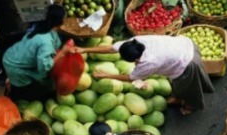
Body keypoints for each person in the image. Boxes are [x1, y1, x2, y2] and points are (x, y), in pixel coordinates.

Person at [78, 35, 214, 115]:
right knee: (178, 84)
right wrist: (84, 49)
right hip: (184, 44)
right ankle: (178, 98)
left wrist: (106, 76)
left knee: (186, 86)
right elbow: (111, 48)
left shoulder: (149, 62)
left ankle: (191, 105)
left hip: (187, 61)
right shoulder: (135, 42)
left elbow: (131, 78)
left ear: (135, 60)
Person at [2, 4, 71, 101]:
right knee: (29, 89)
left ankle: (11, 80)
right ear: (62, 22)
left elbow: (53, 44)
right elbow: (44, 67)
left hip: (13, 55)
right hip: (14, 66)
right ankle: (14, 96)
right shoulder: (46, 42)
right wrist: (62, 53)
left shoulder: (41, 27)